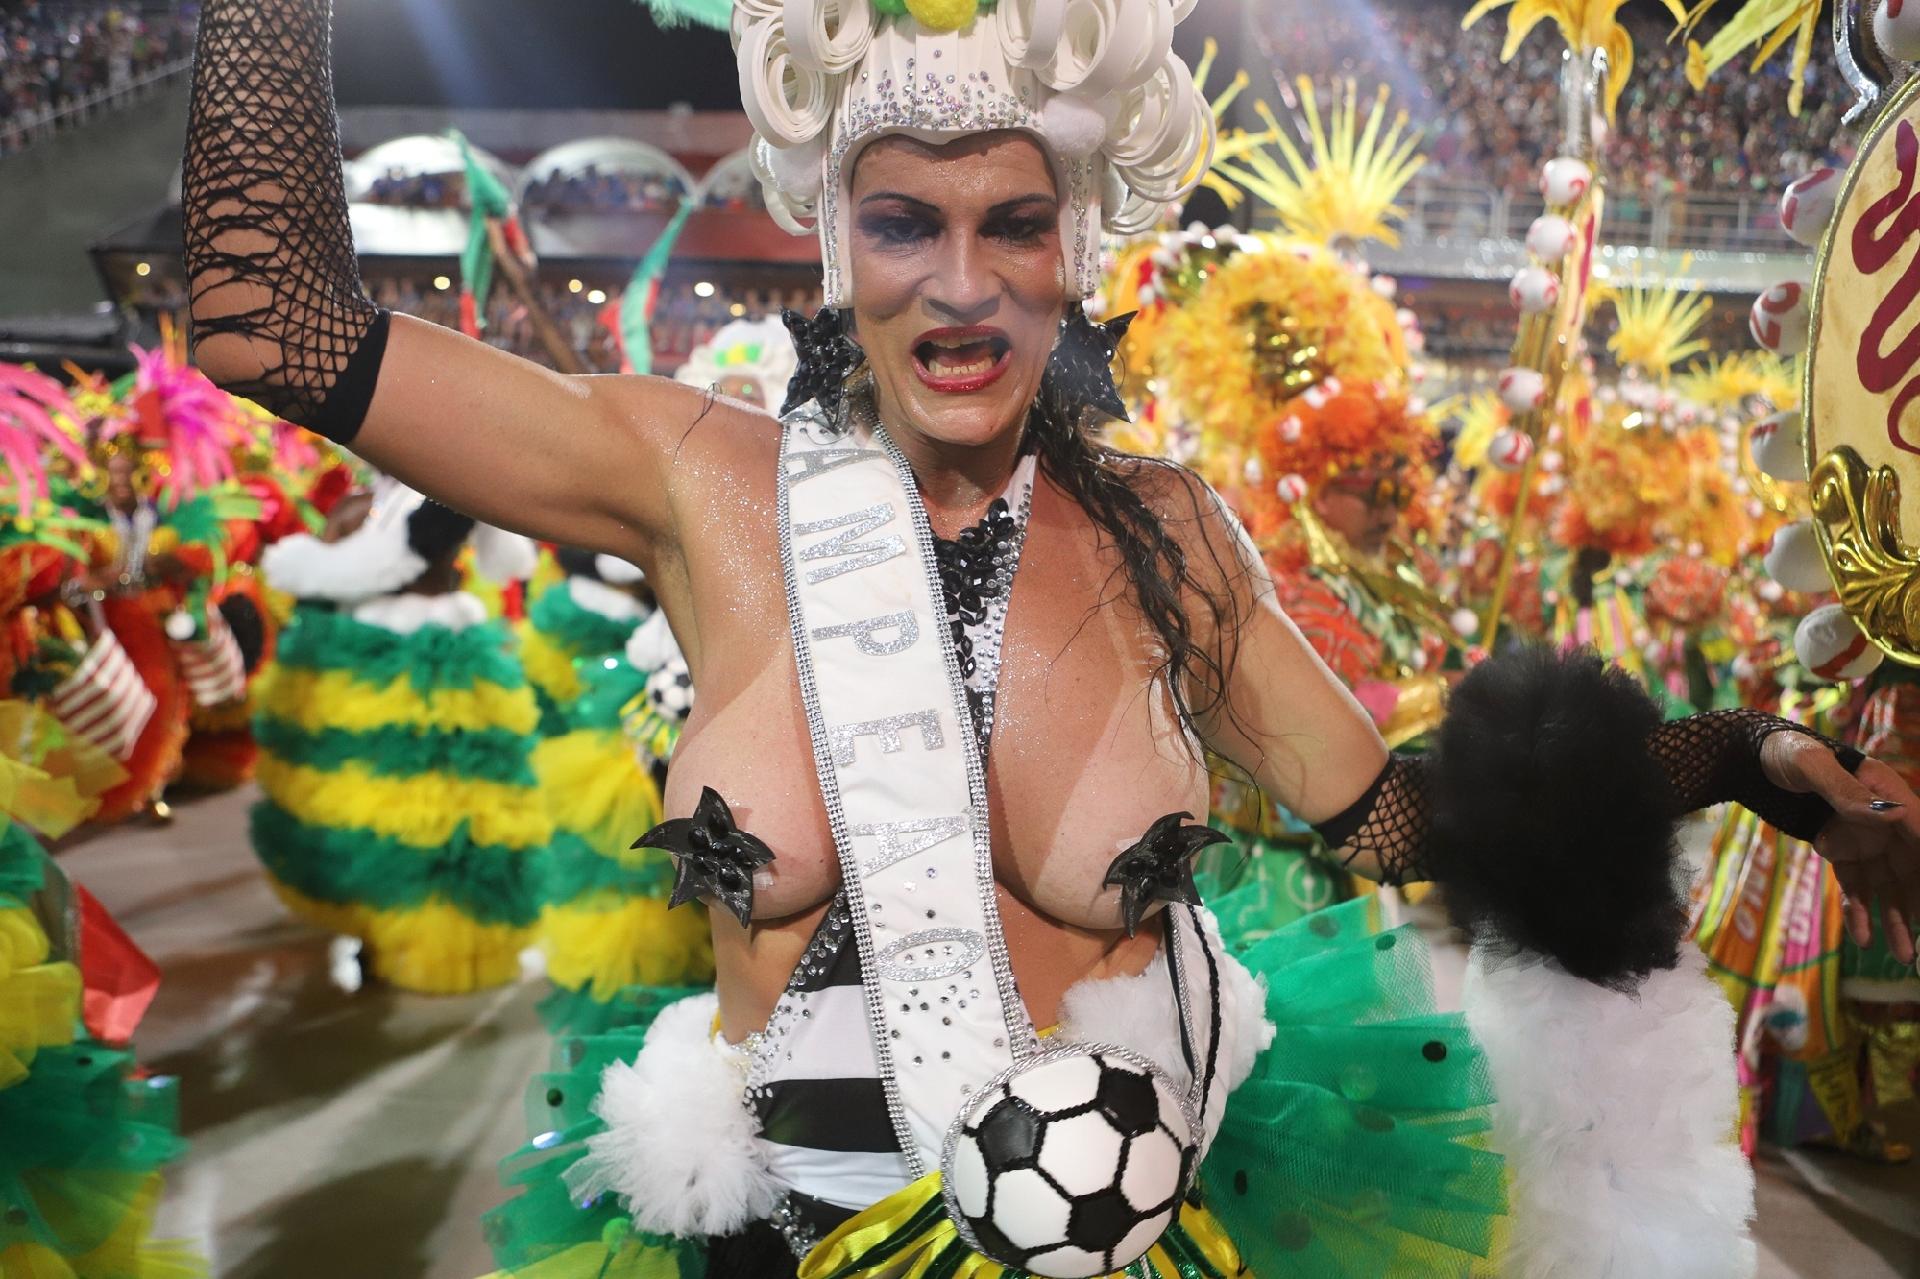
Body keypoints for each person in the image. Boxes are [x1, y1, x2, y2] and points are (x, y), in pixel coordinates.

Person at [180, 2, 1920, 1275]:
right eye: (903, 223)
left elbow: (1398, 821)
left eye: (1014, 224)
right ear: (830, 237)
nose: (961, 285)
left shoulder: (1167, 538)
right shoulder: (684, 481)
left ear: (1077, 247)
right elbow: (267, 319)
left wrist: (1748, 758)